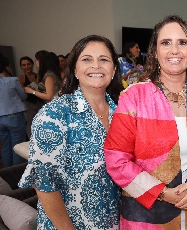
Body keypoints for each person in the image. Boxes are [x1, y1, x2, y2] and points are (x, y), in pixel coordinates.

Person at [104, 15, 187, 229]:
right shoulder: (134, 97)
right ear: (155, 51)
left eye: (182, 42)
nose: (174, 51)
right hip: (146, 217)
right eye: (166, 43)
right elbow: (117, 160)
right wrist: (162, 193)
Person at [19, 34, 123, 229]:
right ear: (74, 69)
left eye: (104, 59)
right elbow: (43, 183)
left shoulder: (122, 113)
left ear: (114, 69)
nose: (96, 66)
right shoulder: (54, 114)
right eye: (86, 59)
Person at [0, 54, 27, 167]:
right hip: (14, 116)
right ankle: (16, 174)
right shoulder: (13, 80)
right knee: (17, 146)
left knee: (5, 146)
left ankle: (7, 173)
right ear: (6, 67)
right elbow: (23, 96)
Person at [17, 56, 42, 138]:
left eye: (28, 64)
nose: (26, 67)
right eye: (24, 65)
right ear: (21, 67)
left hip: (41, 101)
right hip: (29, 104)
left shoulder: (38, 75)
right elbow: (20, 93)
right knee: (30, 124)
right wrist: (25, 89)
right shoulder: (20, 78)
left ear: (32, 64)